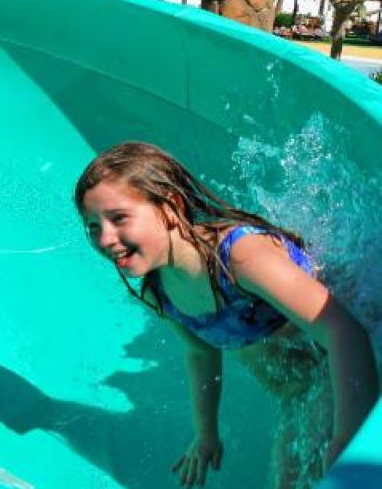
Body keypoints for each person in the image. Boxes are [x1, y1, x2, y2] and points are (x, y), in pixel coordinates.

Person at [74, 141, 379, 488]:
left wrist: (347, 437)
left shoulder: (239, 258)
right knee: (286, 481)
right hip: (296, 393)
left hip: (339, 366)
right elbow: (200, 351)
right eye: (92, 226)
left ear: (170, 206)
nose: (105, 238)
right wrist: (205, 433)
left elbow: (343, 332)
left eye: (118, 218)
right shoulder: (158, 291)